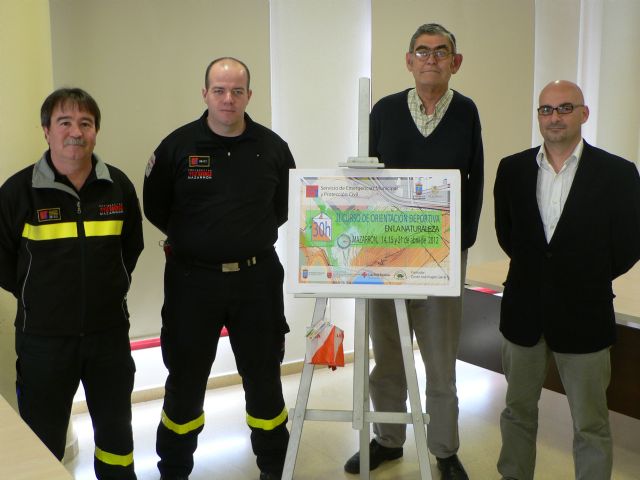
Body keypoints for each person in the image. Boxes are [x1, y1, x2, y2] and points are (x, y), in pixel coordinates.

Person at [143, 57, 295, 480]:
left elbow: (284, 207)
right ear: (205, 94)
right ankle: (174, 470)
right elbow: (155, 207)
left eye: (237, 91)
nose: (229, 99)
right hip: (192, 282)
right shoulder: (177, 147)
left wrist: (241, 238)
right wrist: (201, 242)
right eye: (220, 90)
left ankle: (274, 469)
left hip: (257, 281)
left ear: (249, 95)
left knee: (264, 380)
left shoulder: (273, 148)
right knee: (185, 382)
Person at [344, 23, 483, 480]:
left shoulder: (466, 112)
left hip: (441, 258)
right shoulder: (384, 111)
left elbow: (474, 181)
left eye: (441, 52)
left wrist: (459, 247)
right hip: (386, 256)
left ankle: (444, 450)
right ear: (408, 61)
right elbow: (365, 178)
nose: (431, 59)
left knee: (440, 360)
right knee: (387, 354)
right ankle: (388, 439)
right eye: (422, 51)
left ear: (455, 63)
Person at [494, 80, 640, 480]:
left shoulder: (618, 173)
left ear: (583, 114)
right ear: (538, 116)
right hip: (523, 313)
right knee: (517, 412)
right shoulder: (512, 169)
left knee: (590, 423)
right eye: (546, 109)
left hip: (585, 312)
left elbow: (629, 243)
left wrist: (584, 276)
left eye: (564, 108)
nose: (554, 117)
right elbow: (509, 236)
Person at [0, 88, 143, 480]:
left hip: (108, 338)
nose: (76, 132)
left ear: (96, 131)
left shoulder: (118, 186)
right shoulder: (17, 192)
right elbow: (4, 262)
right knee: (42, 446)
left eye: (85, 123)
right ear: (46, 131)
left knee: (116, 440)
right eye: (64, 122)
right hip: (43, 342)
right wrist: (40, 297)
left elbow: (130, 248)